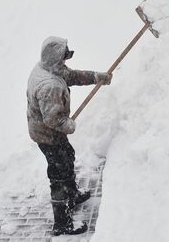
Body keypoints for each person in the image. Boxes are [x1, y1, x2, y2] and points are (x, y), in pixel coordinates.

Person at [26, 37, 112, 236]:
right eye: (64, 56)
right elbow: (52, 119)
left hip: (48, 131)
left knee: (68, 156)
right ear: (55, 58)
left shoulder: (47, 68)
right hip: (48, 134)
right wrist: (68, 125)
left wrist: (95, 77)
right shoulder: (49, 85)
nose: (66, 60)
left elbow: (70, 76)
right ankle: (62, 223)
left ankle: (72, 195)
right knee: (59, 174)